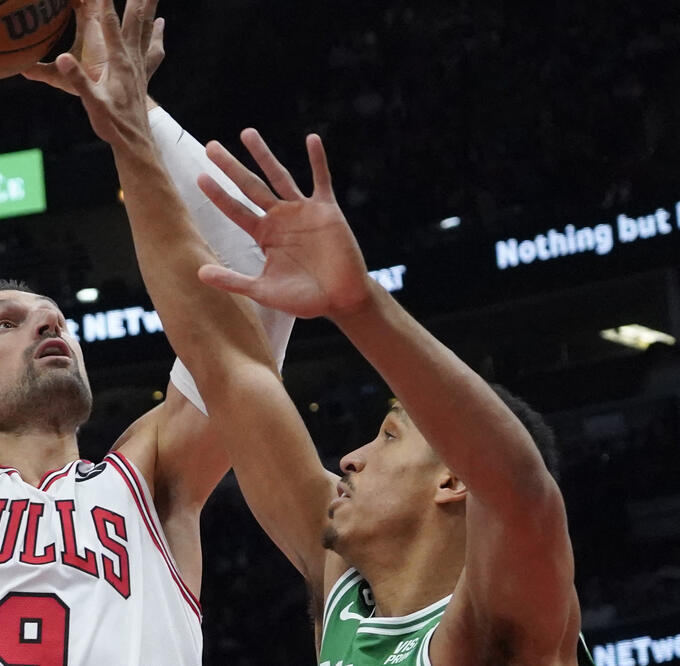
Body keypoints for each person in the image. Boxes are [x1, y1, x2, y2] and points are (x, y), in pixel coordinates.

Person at [0, 0, 293, 663]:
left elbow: (258, 283)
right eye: (5, 323)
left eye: (54, 319)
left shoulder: (154, 478)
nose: (44, 322)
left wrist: (132, 116)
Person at [177, 130, 597, 663]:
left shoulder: (494, 632)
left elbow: (519, 491)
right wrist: (133, 126)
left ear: (453, 479)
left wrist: (360, 307)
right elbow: (226, 367)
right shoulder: (345, 595)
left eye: (389, 435)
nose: (349, 459)